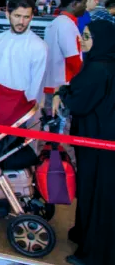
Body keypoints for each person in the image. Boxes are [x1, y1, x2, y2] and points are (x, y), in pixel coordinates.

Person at [52, 20, 115, 265]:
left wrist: (60, 92)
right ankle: (85, 237)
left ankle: (94, 254)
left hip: (99, 144)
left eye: (87, 36)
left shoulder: (98, 68)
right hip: (104, 139)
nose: (83, 40)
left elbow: (78, 101)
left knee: (96, 192)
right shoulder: (107, 64)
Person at [0, 0, 47, 125]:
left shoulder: (39, 46)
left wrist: (26, 115)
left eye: (26, 17)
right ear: (8, 15)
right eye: (17, 16)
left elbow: (36, 86)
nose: (21, 21)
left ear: (32, 17)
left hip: (20, 110)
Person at [43, 0, 86, 108]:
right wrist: (84, 79)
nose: (85, 7)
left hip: (54, 84)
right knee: (61, 123)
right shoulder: (66, 25)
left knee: (52, 121)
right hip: (63, 86)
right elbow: (73, 58)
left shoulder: (57, 22)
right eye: (83, 3)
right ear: (74, 4)